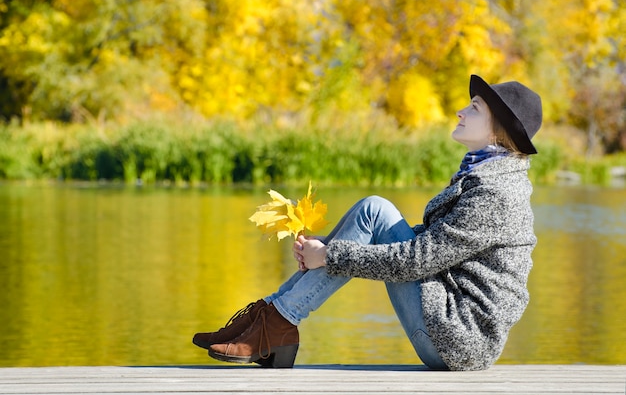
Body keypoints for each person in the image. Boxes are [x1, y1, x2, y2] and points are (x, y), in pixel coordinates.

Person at [192, 74, 542, 371]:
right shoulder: (485, 177)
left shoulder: (496, 193)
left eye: (475, 108)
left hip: (457, 339)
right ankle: (268, 318)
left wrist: (331, 256)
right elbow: (434, 249)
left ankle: (276, 325)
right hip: (447, 321)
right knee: (373, 211)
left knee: (375, 212)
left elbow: (417, 261)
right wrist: (328, 250)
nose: (460, 111)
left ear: (499, 132)